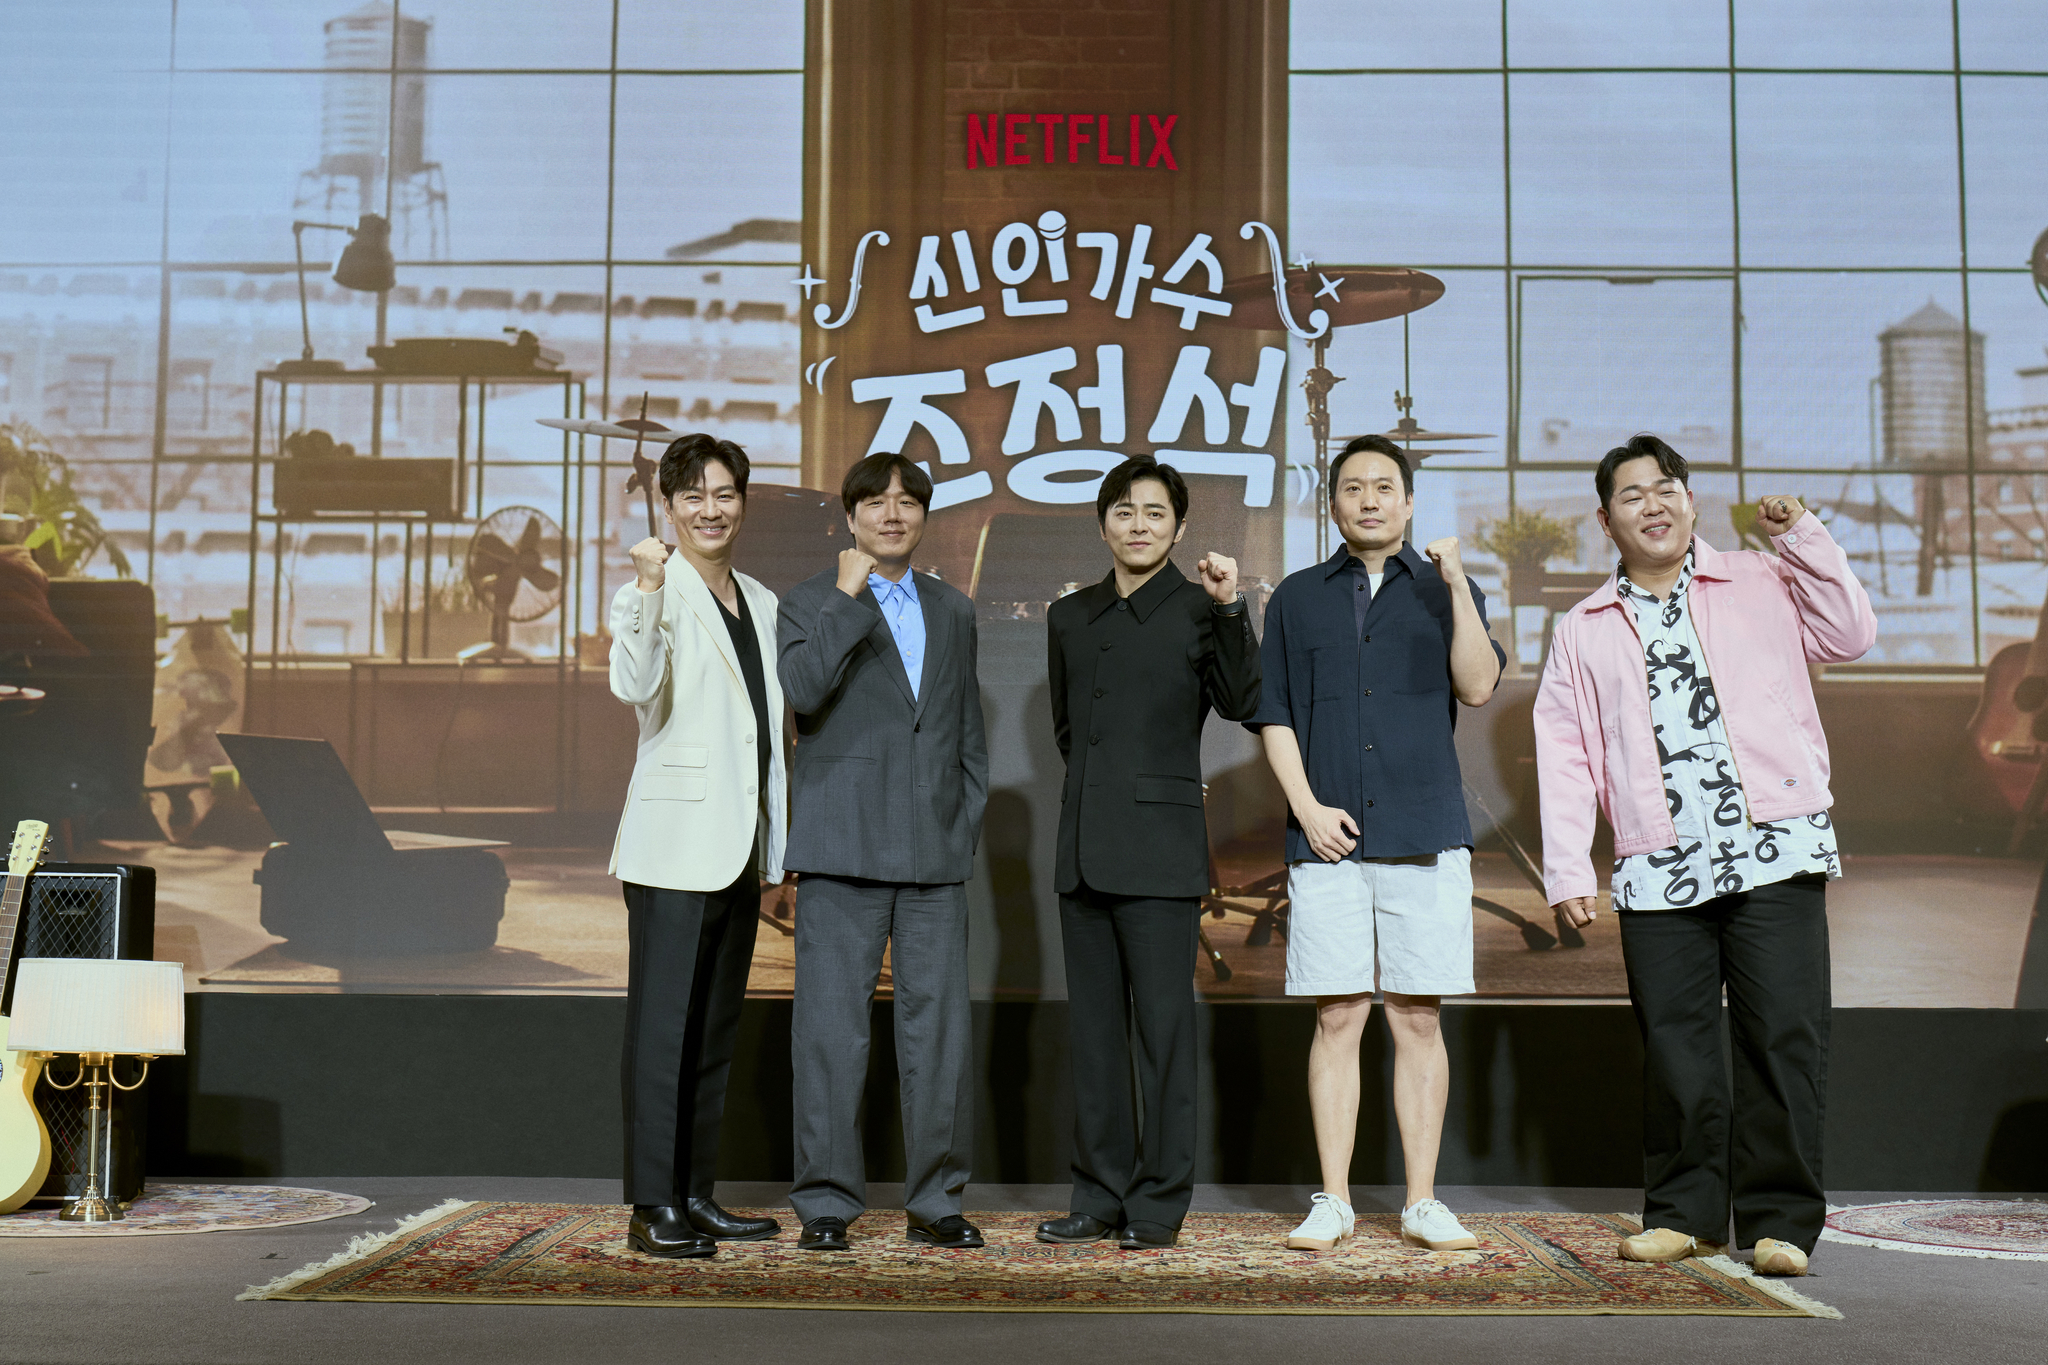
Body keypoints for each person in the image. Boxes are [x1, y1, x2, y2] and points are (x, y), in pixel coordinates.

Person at [1536, 433, 1875, 1277]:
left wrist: (1802, 537)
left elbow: (1852, 633)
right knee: (1677, 1044)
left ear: (1689, 499)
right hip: (1659, 864)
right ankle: (1684, 1211)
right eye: (1631, 494)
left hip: (1777, 844)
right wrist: (1571, 867)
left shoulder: (1762, 577)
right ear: (1606, 520)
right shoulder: (1582, 627)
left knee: (1782, 1037)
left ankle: (1780, 1221)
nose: (1653, 503)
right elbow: (1567, 750)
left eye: (1666, 487)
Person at [1246, 434, 1504, 1255]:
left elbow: (1477, 684)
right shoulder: (1294, 596)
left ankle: (1423, 1199)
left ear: (1409, 500)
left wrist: (1458, 584)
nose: (1368, 499)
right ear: (1332, 504)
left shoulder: (1446, 591)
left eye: (1384, 486)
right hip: (1326, 841)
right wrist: (1307, 808)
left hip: (1424, 832)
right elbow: (1276, 712)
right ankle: (1335, 1199)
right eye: (1352, 487)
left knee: (1419, 1018)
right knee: (1338, 1015)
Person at [1036, 455, 1260, 1251]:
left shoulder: (1202, 609)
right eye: (1125, 511)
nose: (1139, 525)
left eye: (1155, 513)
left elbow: (1242, 701)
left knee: (1163, 1032)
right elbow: (1069, 734)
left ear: (1179, 526)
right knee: (1094, 1037)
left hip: (1162, 851)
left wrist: (1233, 609)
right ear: (1103, 522)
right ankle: (1096, 1195)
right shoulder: (1070, 616)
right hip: (1085, 849)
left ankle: (1159, 1201)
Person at [777, 452, 989, 1252]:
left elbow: (967, 728)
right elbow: (802, 693)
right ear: (851, 515)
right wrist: (846, 595)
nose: (892, 514)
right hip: (840, 848)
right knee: (830, 1033)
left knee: (938, 1036)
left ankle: (936, 1200)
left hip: (934, 853)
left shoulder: (953, 608)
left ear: (924, 516)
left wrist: (961, 820)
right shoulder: (809, 601)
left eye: (907, 502)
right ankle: (827, 1201)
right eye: (876, 501)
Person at [608, 433, 786, 1259]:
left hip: (740, 846)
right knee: (661, 1030)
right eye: (693, 497)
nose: (711, 509)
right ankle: (652, 1207)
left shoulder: (762, 597)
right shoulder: (650, 590)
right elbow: (637, 688)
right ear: (670, 508)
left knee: (713, 1029)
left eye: (725, 494)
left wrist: (775, 849)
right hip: (674, 843)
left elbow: (767, 739)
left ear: (742, 502)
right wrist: (646, 587)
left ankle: (696, 1193)